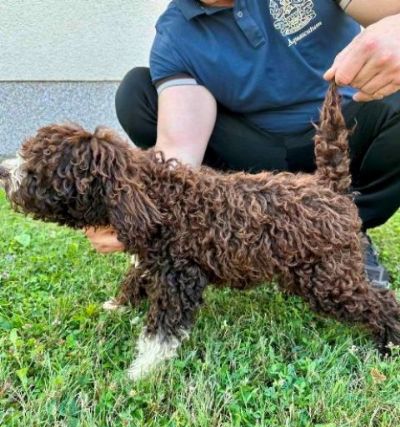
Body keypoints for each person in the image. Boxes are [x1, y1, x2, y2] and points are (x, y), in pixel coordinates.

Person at [86, 0, 400, 288]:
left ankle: (342, 229)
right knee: (137, 95)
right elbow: (179, 151)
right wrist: (139, 215)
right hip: (255, 155)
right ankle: (238, 229)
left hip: (344, 128)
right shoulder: (176, 37)